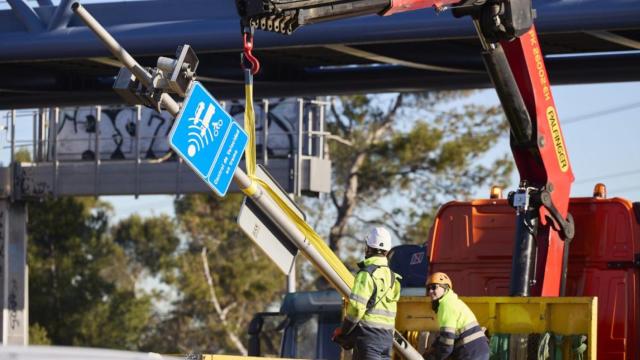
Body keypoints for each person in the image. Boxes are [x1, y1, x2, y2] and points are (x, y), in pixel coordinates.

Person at [332, 227, 402, 360]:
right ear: (387, 251)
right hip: (386, 340)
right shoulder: (393, 277)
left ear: (368, 248)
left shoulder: (366, 274)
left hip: (368, 339)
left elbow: (357, 308)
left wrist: (344, 331)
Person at [423, 272, 490, 360]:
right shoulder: (451, 301)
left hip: (470, 353)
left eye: (434, 287)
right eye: (428, 289)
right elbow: (447, 335)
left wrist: (435, 357)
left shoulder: (446, 305)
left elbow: (447, 342)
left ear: (445, 288)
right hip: (478, 350)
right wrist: (434, 347)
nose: (430, 291)